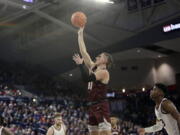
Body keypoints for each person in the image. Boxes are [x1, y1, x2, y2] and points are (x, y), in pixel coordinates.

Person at [73, 27, 113, 135]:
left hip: (100, 106)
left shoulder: (104, 72)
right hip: (92, 106)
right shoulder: (93, 67)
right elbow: (83, 51)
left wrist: (81, 65)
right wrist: (80, 35)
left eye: (100, 56)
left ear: (106, 60)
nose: (97, 57)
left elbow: (86, 79)